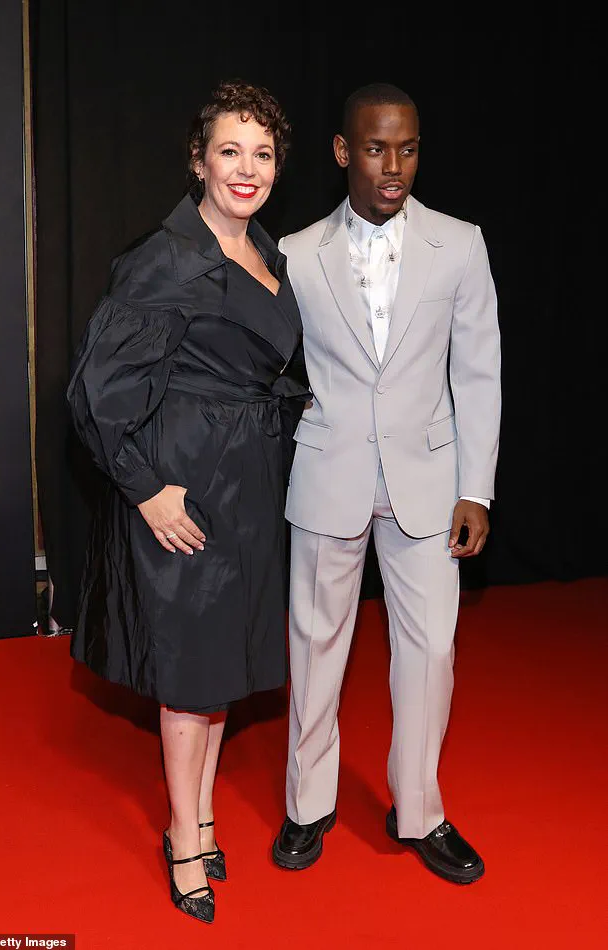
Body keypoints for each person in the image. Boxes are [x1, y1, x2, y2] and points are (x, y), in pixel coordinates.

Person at [67, 80, 308, 923]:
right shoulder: (166, 259)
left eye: (262, 154)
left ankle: (201, 817)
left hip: (248, 487)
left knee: (218, 668)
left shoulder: (263, 250)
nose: (247, 169)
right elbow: (93, 391)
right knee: (189, 675)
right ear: (198, 160)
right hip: (186, 488)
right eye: (230, 151)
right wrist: (145, 490)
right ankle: (181, 838)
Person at [272, 83, 501, 883]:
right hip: (328, 472)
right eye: (375, 148)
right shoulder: (296, 253)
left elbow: (478, 373)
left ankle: (421, 812)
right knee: (315, 646)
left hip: (429, 483)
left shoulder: (459, 245)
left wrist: (477, 488)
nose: (393, 165)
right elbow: (269, 367)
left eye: (406, 148)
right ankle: (308, 804)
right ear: (344, 152)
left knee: (431, 652)